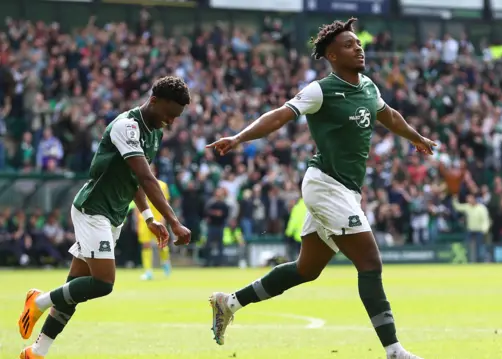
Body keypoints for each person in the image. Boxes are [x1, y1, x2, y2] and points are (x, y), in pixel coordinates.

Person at [207, 18, 434, 359]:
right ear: (331, 55)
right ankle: (395, 351)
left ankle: (230, 302)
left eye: (358, 43)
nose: (358, 48)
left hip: (346, 190)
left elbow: (389, 115)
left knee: (306, 269)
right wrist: (239, 137)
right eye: (348, 45)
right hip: (325, 185)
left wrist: (416, 138)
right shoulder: (320, 90)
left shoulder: (369, 87)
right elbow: (280, 115)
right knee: (370, 263)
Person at [17, 76, 193, 359]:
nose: (171, 122)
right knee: (103, 283)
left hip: (113, 215)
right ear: (155, 100)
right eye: (169, 114)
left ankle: (36, 352)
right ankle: (37, 301)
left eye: (176, 117)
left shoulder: (155, 131)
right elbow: (147, 178)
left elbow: (135, 178)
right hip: (93, 210)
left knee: (74, 288)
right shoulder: (127, 126)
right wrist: (173, 221)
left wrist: (148, 217)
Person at [134, 164, 172, 281]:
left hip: (158, 217)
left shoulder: (162, 185)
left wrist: (164, 219)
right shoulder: (138, 184)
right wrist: (136, 221)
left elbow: (166, 204)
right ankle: (148, 271)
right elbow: (137, 203)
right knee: (146, 244)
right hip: (143, 219)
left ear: (154, 171)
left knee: (161, 243)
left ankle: (165, 262)